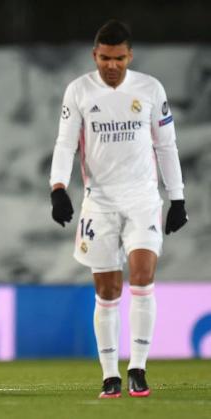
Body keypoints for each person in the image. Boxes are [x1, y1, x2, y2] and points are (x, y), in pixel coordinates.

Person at [49, 20, 188, 399]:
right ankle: (110, 374)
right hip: (100, 203)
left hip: (143, 200)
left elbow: (166, 145)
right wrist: (58, 188)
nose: (112, 65)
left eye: (120, 58)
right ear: (95, 55)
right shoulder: (78, 91)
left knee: (143, 278)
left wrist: (177, 197)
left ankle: (138, 369)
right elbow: (65, 145)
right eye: (105, 58)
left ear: (130, 56)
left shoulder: (149, 89)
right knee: (107, 291)